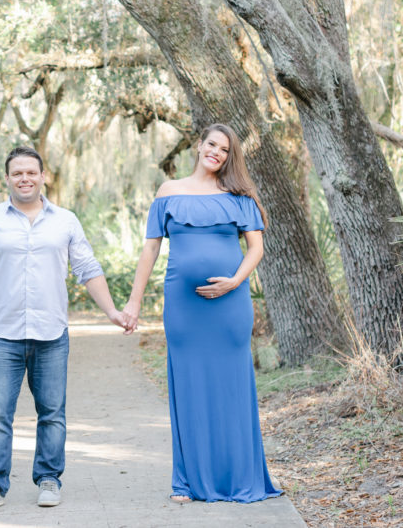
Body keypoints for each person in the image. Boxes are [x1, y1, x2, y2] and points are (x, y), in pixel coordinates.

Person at [0, 146, 130, 515]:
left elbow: (88, 269)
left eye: (31, 172)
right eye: (17, 173)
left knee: (52, 412)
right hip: (3, 335)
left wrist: (112, 311)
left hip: (52, 335)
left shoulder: (65, 221)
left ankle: (49, 479)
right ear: (7, 178)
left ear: (43, 176)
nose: (24, 178)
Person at [120, 123, 282, 504]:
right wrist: (133, 301)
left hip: (229, 307)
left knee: (232, 387)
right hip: (184, 307)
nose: (216, 153)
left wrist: (234, 282)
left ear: (230, 156)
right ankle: (187, 483)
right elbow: (150, 251)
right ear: (199, 145)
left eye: (225, 150)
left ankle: (239, 478)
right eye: (212, 144)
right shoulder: (169, 192)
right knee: (188, 387)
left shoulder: (239, 196)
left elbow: (256, 249)